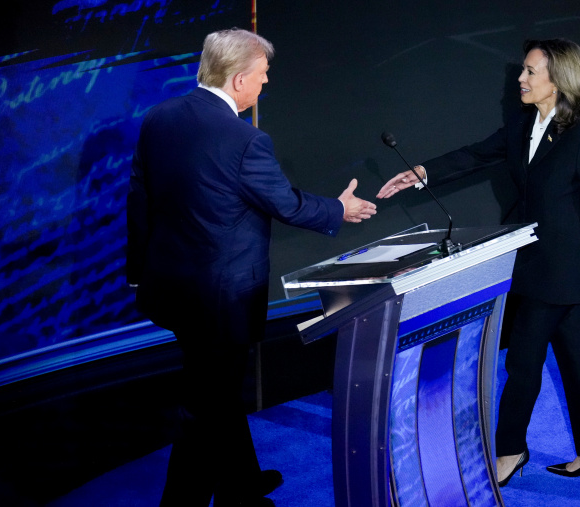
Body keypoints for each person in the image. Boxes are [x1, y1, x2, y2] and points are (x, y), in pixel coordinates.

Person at [127, 28, 377, 506]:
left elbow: (139, 200)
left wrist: (139, 272)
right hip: (221, 300)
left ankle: (240, 485)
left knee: (215, 393)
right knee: (206, 405)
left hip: (172, 290)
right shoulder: (245, 140)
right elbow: (286, 204)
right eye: (262, 76)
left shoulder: (159, 118)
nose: (265, 84)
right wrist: (339, 210)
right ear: (240, 80)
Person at [376, 38, 580, 485]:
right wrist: (421, 173)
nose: (521, 78)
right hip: (534, 261)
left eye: (531, 72)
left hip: (562, 272)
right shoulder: (522, 126)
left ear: (558, 81)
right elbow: (476, 155)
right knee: (577, 355)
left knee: (523, 361)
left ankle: (510, 451)